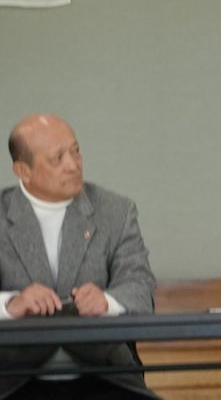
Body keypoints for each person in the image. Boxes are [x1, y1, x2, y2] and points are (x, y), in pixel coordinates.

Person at [1, 114, 158, 399]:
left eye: (76, 151)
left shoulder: (116, 211)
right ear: (23, 171)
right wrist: (12, 304)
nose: (73, 165)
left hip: (106, 375)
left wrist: (107, 301)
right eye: (57, 158)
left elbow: (139, 285)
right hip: (13, 379)